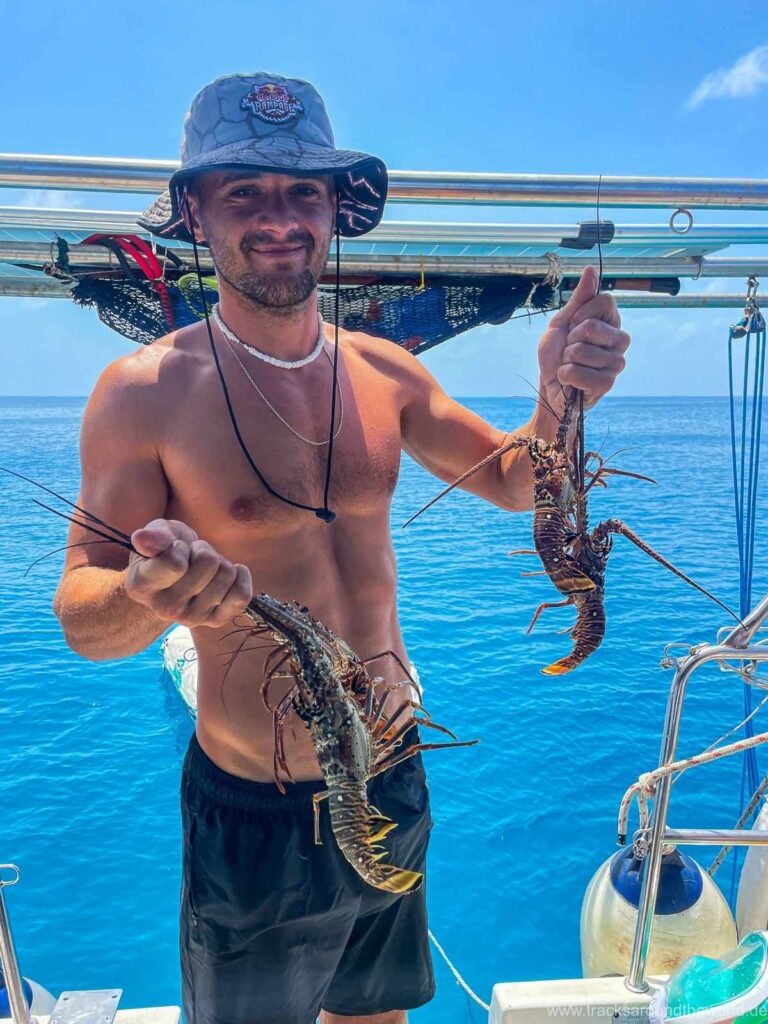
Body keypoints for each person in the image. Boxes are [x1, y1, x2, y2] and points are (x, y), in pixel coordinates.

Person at [53, 72, 630, 1024]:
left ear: (334, 213)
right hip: (257, 800)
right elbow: (84, 616)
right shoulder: (143, 391)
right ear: (196, 209)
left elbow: (512, 479)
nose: (278, 217)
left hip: (395, 763)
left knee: (377, 1016)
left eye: (302, 192)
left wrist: (561, 394)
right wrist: (149, 595)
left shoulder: (386, 372)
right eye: (244, 192)